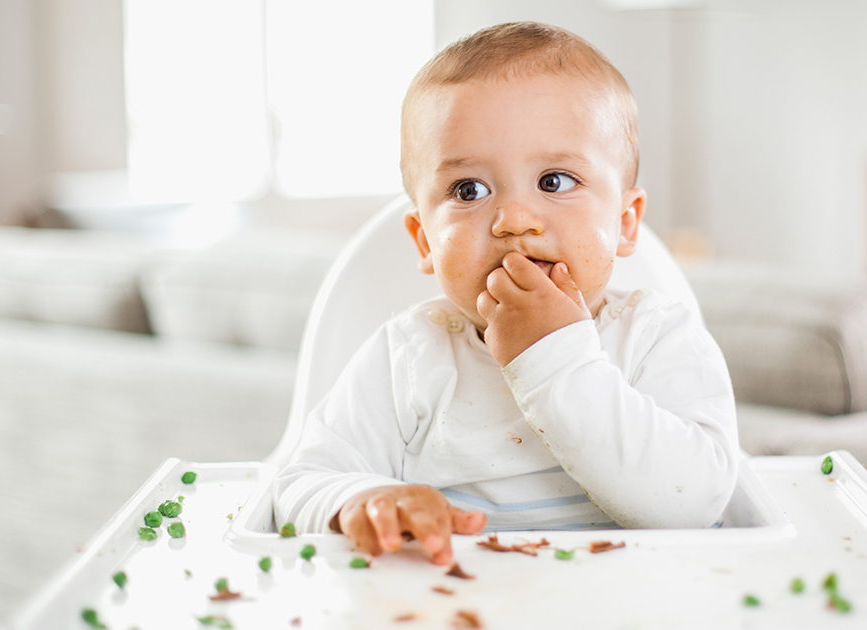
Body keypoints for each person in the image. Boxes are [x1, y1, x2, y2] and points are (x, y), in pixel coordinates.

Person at [273, 21, 739, 565]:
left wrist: (554, 359)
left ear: (625, 222)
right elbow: (301, 481)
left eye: (555, 181)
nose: (514, 221)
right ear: (425, 240)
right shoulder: (409, 357)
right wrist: (362, 499)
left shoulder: (657, 339)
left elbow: (697, 502)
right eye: (468, 190)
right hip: (453, 603)